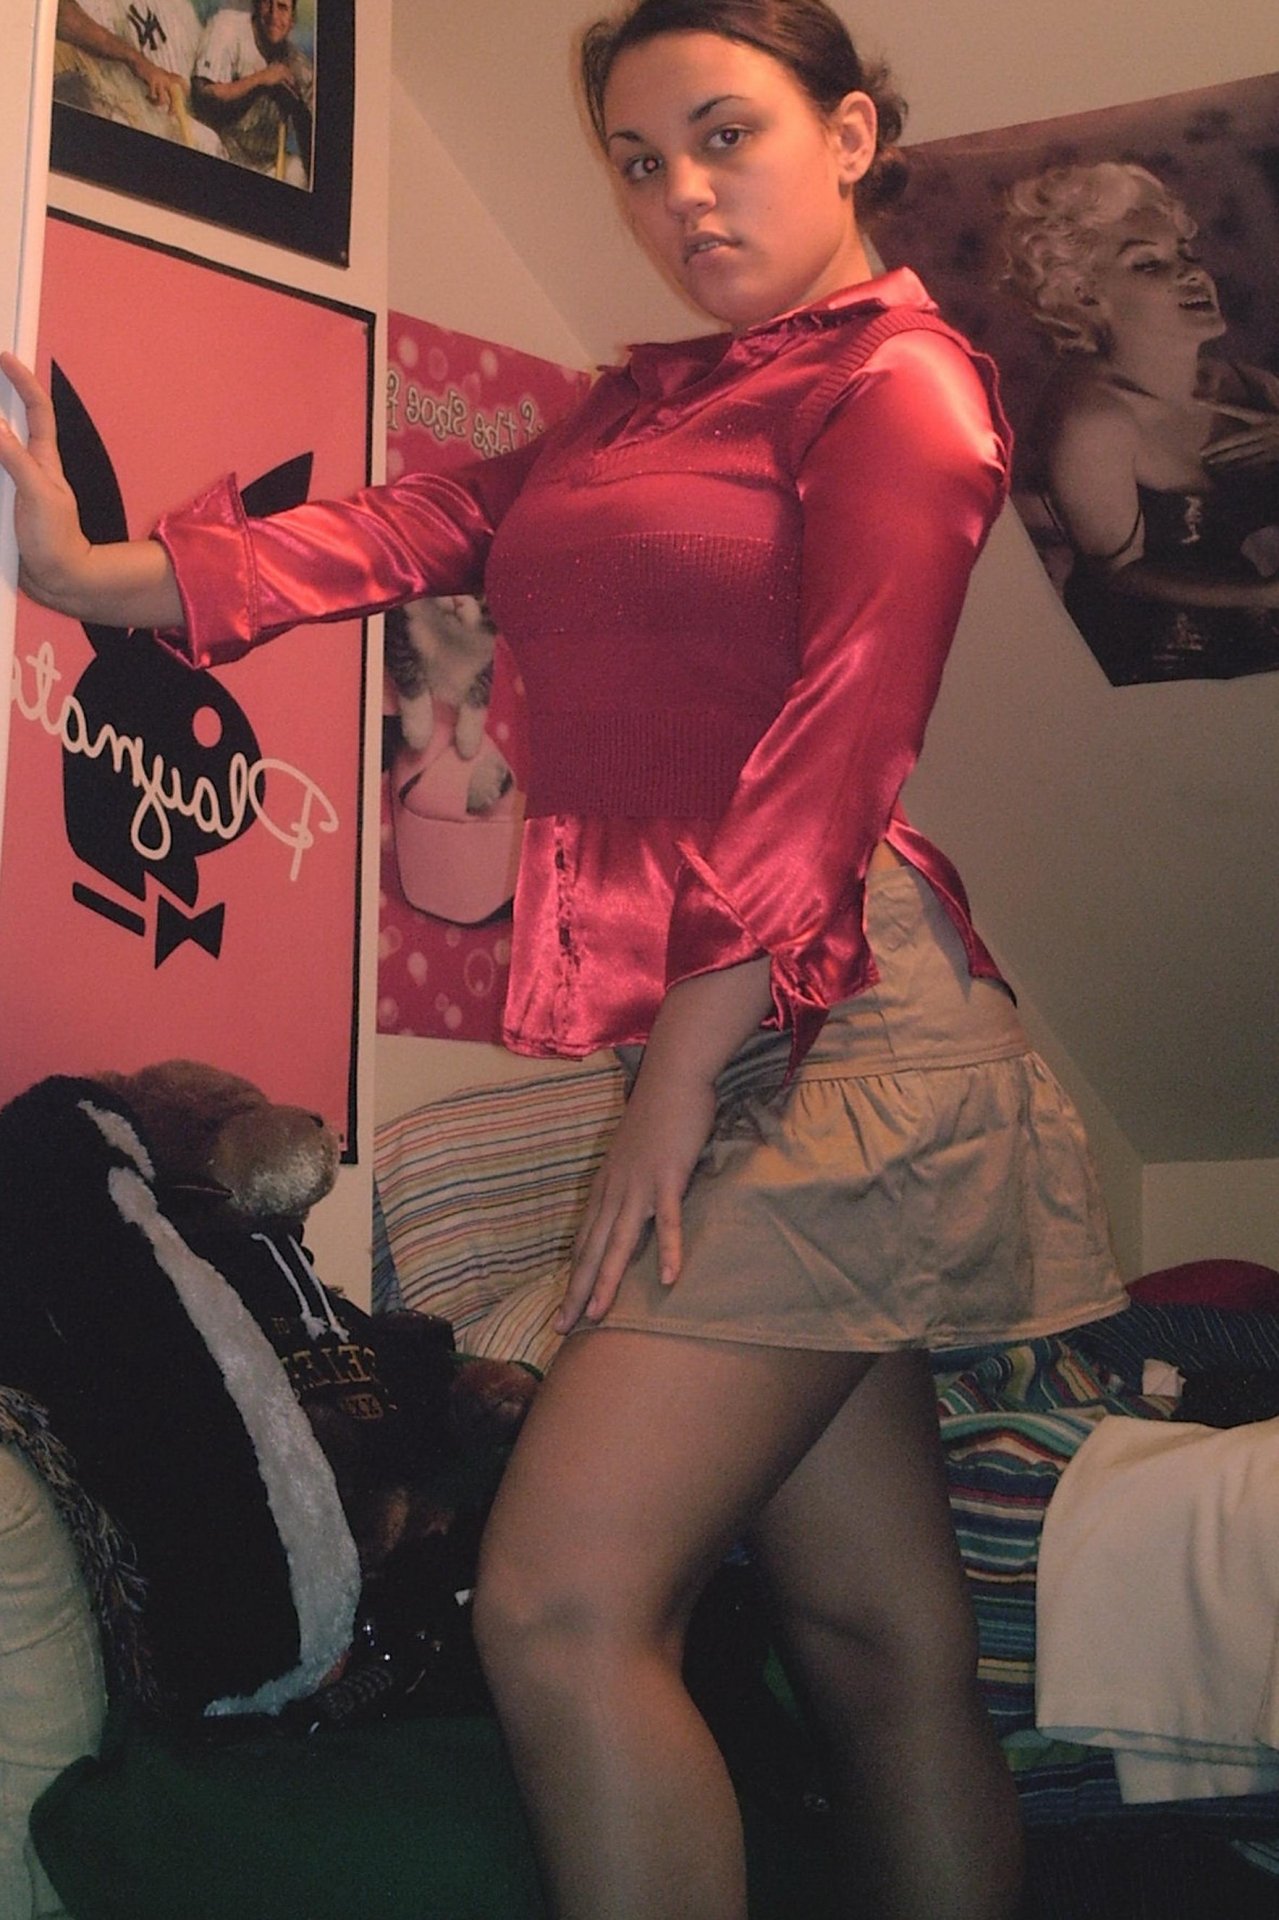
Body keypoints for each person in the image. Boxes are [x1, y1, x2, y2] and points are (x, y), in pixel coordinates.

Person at [1, 2, 1127, 1914]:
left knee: (556, 1600)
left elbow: (832, 757)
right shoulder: (642, 409)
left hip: (841, 1025)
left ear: (849, 134)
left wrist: (667, 1090)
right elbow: (411, 524)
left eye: (723, 134)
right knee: (867, 1638)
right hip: (749, 1023)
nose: (679, 193)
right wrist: (83, 571)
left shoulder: (901, 384)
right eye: (635, 160)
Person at [1001, 160, 1279, 683]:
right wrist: (1265, 594)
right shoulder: (1092, 419)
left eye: (1186, 254)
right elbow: (1119, 574)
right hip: (1162, 666)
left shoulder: (1251, 386)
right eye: (1149, 264)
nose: (1192, 273)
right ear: (1085, 295)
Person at [53, 0, 227, 157]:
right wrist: (138, 61)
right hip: (107, 107)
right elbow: (62, 16)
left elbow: (182, 79)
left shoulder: (180, 9)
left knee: (208, 143)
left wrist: (177, 84)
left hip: (157, 115)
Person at [191, 0, 314, 186]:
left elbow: (312, 145)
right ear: (256, 6)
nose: (273, 15)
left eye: (282, 7)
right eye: (267, 4)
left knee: (296, 170)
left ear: (292, 21)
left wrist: (298, 108)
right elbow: (203, 95)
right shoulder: (228, 27)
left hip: (266, 165)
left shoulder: (299, 66)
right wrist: (260, 80)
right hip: (220, 150)